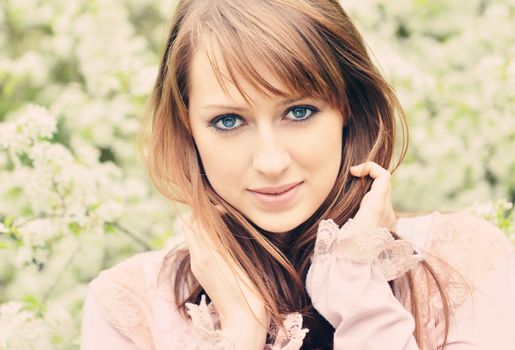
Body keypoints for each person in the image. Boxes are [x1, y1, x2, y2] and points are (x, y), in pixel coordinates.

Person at [80, 0, 515, 349]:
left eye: (299, 111)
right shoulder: (130, 308)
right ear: (187, 127)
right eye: (229, 121)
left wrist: (355, 286)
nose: (270, 161)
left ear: (348, 109)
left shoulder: (464, 263)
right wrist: (238, 331)